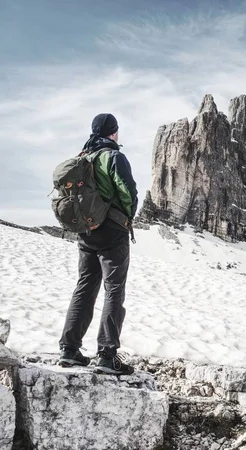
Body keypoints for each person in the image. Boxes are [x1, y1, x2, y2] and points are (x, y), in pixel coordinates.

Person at [58, 113, 138, 375]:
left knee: (84, 286)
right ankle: (106, 354)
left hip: (86, 231)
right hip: (112, 231)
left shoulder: (83, 158)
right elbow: (127, 191)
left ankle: (69, 350)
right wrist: (126, 216)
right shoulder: (113, 157)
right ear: (113, 133)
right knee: (114, 289)